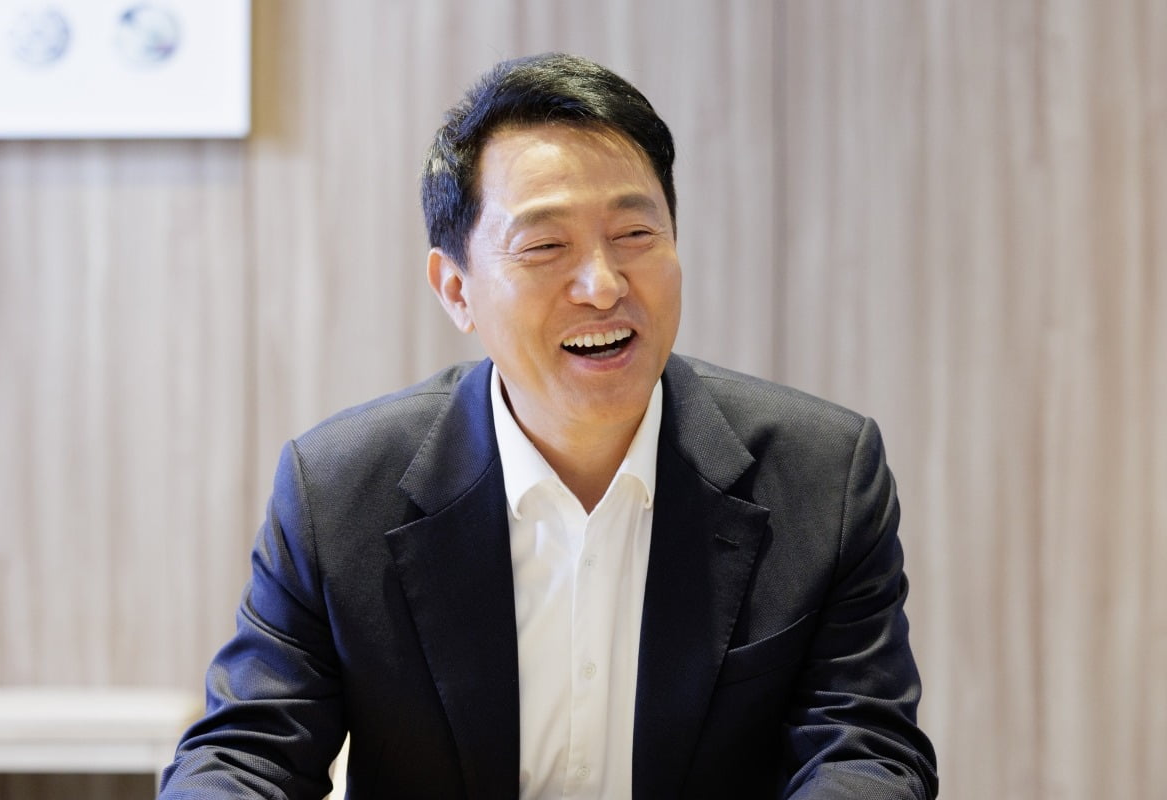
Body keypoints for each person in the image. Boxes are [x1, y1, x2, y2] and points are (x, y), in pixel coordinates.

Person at [160, 52, 938, 799]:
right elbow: (248, 751)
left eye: (635, 235)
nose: (602, 285)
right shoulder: (336, 492)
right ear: (456, 289)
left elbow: (864, 747)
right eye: (544, 246)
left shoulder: (824, 477)